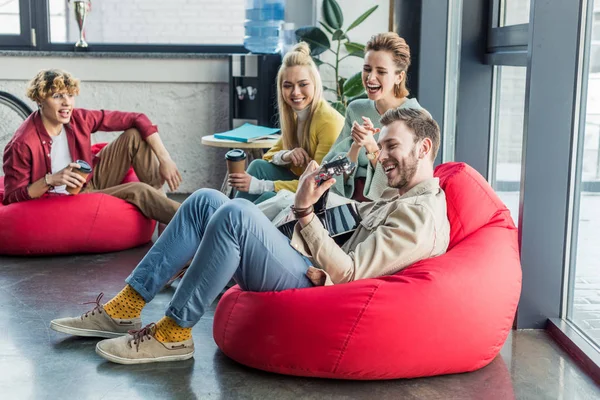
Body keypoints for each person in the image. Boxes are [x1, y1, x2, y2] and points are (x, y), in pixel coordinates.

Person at [50, 108, 450, 365]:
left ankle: (174, 333)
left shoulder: (420, 216)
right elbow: (356, 223)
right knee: (207, 199)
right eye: (380, 147)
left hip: (318, 284)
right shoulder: (400, 196)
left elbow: (348, 274)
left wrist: (305, 211)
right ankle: (126, 307)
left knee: (237, 213)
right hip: (307, 255)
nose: (381, 157)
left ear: (425, 147)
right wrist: (318, 195)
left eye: (391, 146)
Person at [2, 69, 182, 224]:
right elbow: (12, 197)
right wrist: (51, 180)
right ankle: (199, 220)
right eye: (57, 96)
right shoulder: (22, 143)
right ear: (39, 100)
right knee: (139, 191)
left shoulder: (78, 119)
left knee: (135, 135)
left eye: (70, 95)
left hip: (90, 181)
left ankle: (164, 210)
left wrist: (165, 159)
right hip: (66, 200)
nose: (67, 103)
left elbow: (138, 119)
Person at [231, 42, 344, 204]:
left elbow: (318, 182)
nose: (295, 92)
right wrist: (288, 155)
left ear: (315, 84)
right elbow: (268, 157)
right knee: (257, 166)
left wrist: (261, 185)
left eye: (303, 84)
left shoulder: (328, 122)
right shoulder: (297, 117)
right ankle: (233, 215)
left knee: (267, 197)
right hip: (300, 186)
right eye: (288, 86)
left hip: (321, 199)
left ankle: (234, 220)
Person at [322, 32, 426, 202]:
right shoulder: (356, 109)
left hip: (386, 209)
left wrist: (372, 148)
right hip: (344, 201)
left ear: (399, 77)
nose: (370, 78)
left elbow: (406, 185)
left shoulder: (417, 119)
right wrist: (355, 148)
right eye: (367, 69)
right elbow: (329, 170)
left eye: (381, 72)